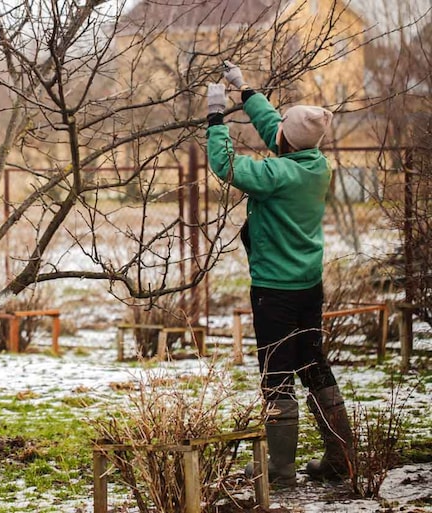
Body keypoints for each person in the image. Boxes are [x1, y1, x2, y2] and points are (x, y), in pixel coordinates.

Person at [205, 61, 353, 486]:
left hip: (274, 290)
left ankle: (280, 470)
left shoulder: (277, 175)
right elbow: (279, 131)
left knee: (275, 373)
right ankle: (340, 459)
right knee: (313, 363)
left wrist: (216, 117)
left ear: (288, 141)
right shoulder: (315, 165)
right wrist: (245, 91)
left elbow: (226, 166)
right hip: (309, 285)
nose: (277, 136)